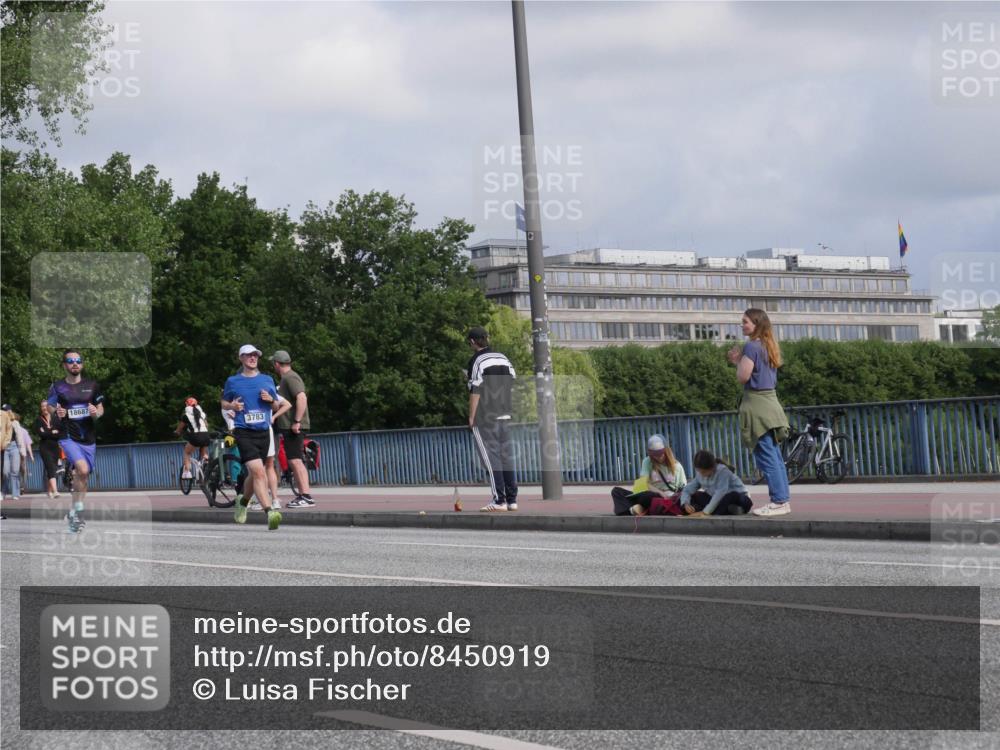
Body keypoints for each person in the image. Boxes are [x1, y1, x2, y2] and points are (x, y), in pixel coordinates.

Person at [727, 308, 791, 517]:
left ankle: (779, 501)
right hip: (770, 404)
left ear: (756, 324)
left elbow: (743, 377)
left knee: (767, 456)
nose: (742, 325)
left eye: (745, 322)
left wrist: (737, 362)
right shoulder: (768, 346)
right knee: (774, 456)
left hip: (757, 406)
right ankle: (783, 500)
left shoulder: (751, 346)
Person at [222, 344, 282, 530]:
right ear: (241, 358)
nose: (252, 358)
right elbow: (224, 403)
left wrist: (271, 401)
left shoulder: (267, 380)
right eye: (248, 355)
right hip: (243, 431)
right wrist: (232, 406)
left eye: (255, 355)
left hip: (263, 432)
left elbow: (276, 407)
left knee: (254, 473)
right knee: (258, 472)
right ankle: (269, 511)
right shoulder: (233, 381)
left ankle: (243, 502)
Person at [47, 350, 105, 533]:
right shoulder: (57, 387)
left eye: (78, 361)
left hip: (88, 438)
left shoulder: (92, 385)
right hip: (68, 436)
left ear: (82, 364)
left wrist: (96, 414)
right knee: (83, 469)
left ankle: (74, 510)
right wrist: (57, 412)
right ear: (64, 365)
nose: (75, 363)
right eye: (70, 361)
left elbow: (100, 409)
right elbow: (49, 407)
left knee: (84, 476)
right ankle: (79, 513)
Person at [466, 326, 518, 512]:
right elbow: (511, 381)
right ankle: (512, 500)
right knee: (506, 457)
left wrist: (472, 417)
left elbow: (476, 390)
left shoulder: (476, 360)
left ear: (472, 341)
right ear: (487, 338)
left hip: (486, 416)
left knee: (491, 458)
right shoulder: (503, 357)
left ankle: (499, 501)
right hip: (504, 413)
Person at [270, 350, 314, 508]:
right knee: (294, 459)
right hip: (289, 426)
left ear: (276, 364)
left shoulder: (290, 377)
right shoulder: (286, 378)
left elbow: (302, 397)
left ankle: (306, 496)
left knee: (295, 460)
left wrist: (297, 421)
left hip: (293, 426)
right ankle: (304, 495)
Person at [679, 449, 753, 517]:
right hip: (719, 502)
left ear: (712, 467)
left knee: (731, 496)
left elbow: (719, 494)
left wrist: (705, 512)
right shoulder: (700, 475)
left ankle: (713, 512)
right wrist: (686, 504)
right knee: (697, 495)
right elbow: (687, 490)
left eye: (703, 472)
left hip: (740, 500)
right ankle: (726, 510)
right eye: (699, 471)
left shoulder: (723, 471)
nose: (701, 474)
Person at [628, 434, 688, 516]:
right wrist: (660, 492)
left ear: (667, 451)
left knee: (682, 498)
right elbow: (642, 483)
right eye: (655, 455)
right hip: (653, 494)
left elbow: (683, 487)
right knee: (617, 492)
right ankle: (656, 507)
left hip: (670, 496)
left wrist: (674, 495)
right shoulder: (647, 461)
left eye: (661, 454)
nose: (658, 457)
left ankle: (644, 508)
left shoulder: (677, 465)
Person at [34, 401, 63, 499]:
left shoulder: (55, 419)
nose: (44, 408)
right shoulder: (38, 420)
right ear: (40, 408)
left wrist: (47, 431)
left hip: (55, 447)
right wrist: (52, 431)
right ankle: (55, 491)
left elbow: (60, 433)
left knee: (53, 469)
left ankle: (49, 491)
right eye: (42, 406)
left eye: (46, 406)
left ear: (49, 407)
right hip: (44, 447)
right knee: (50, 467)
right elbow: (41, 434)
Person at [176, 397, 210, 479]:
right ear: (197, 404)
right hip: (206, 435)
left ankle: (187, 472)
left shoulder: (186, 416)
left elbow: (180, 428)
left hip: (196, 436)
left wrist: (177, 432)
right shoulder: (202, 414)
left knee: (187, 452)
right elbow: (207, 425)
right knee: (203, 453)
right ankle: (209, 466)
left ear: (186, 405)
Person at [1, 404, 22, 502]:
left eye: (7, 410)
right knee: (5, 472)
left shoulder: (15, 423)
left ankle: (15, 493)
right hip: (4, 448)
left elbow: (19, 437)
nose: (6, 412)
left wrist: (22, 451)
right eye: (4, 410)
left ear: (10, 411)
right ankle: (3, 492)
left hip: (14, 447)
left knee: (15, 471)